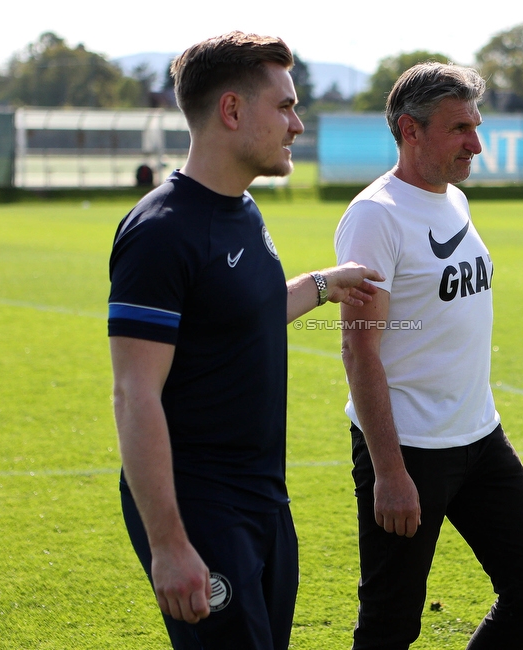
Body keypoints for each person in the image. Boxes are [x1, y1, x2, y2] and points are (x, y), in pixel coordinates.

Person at [108, 31, 382, 650]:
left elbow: (242, 312)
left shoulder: (243, 210)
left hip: (264, 499)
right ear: (232, 111)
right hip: (199, 504)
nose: (297, 125)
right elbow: (133, 395)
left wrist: (321, 284)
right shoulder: (162, 233)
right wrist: (170, 543)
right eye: (284, 107)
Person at [334, 62, 523, 650]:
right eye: (460, 128)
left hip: (481, 438)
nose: (476, 144)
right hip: (408, 450)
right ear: (411, 131)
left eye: (476, 126)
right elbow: (360, 351)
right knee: (390, 626)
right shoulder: (375, 215)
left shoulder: (455, 201)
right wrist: (389, 471)